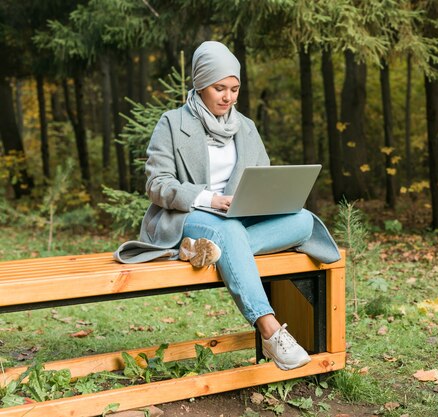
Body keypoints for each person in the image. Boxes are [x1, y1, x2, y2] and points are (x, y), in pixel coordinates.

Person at [114, 41, 341, 371]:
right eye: (219, 88)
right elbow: (156, 185)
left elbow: (262, 176)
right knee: (230, 231)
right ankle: (270, 330)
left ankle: (208, 249)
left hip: (236, 217)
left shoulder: (245, 127)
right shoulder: (172, 123)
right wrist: (207, 198)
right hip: (189, 215)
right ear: (200, 84)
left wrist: (266, 200)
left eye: (234, 88)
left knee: (304, 220)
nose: (228, 97)